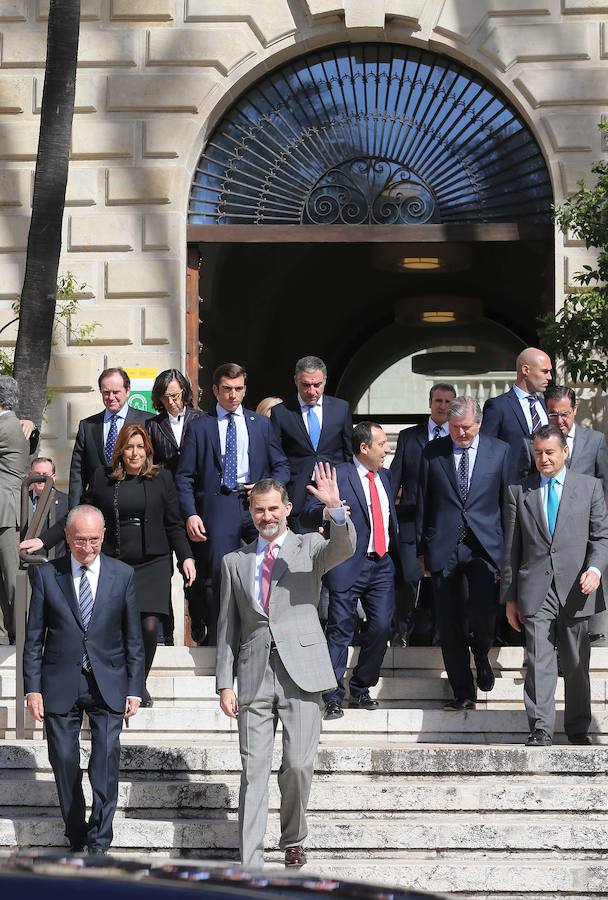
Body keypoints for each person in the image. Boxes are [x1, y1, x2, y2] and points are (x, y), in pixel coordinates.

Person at [216, 468, 356, 869]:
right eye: (259, 510)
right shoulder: (235, 561)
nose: (266, 516)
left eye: (273, 508)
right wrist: (225, 682)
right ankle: (250, 862)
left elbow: (344, 549)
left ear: (288, 508)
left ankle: (293, 837)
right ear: (251, 511)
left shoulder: (310, 546)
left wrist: (335, 510)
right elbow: (228, 627)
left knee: (297, 764)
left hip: (302, 669)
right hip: (254, 671)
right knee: (252, 770)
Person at [23, 505, 144, 854]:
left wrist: (134, 688)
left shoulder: (122, 575)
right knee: (64, 760)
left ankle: (99, 839)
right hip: (60, 682)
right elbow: (34, 639)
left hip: (108, 682)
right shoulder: (48, 575)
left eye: (93, 540)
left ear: (103, 536)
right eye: (79, 541)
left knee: (105, 761)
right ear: (67, 537)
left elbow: (132, 637)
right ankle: (76, 832)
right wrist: (32, 688)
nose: (87, 548)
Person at [502, 425, 608, 746]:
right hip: (535, 590)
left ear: (565, 452)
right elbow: (511, 550)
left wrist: (595, 569)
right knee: (538, 661)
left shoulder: (590, 487)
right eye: (538, 453)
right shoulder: (519, 492)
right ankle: (541, 729)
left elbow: (601, 537)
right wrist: (509, 598)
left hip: (578, 588)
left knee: (576, 664)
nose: (543, 459)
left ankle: (577, 728)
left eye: (549, 452)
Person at [175, 363, 289, 645]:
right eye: (227, 389)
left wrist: (266, 487)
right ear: (215, 390)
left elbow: (282, 466)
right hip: (219, 504)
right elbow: (185, 476)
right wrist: (190, 513)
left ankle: (265, 638)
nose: (233, 395)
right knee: (218, 573)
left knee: (268, 569)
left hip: (256, 505)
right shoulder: (200, 427)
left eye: (238, 389)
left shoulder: (260, 424)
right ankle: (219, 642)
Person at [84, 424, 195, 705]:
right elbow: (80, 515)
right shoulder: (103, 478)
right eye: (129, 447)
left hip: (153, 561)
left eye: (140, 446)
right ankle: (114, 680)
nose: (135, 453)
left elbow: (173, 523)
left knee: (148, 626)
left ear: (147, 449)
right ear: (120, 450)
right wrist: (44, 541)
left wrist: (186, 558)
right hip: (115, 562)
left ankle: (137, 683)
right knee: (117, 625)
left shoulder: (162, 478)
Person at [302, 422, 400, 720]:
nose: (387, 449)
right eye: (382, 444)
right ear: (364, 448)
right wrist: (330, 510)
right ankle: (332, 696)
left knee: (381, 626)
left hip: (381, 563)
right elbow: (307, 514)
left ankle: (361, 686)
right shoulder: (337, 475)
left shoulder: (384, 475)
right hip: (346, 564)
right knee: (340, 630)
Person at [417, 396, 510, 710]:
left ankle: (482, 651)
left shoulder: (500, 452)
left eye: (467, 427)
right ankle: (463, 692)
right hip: (444, 545)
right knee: (450, 620)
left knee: (484, 612)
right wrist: (421, 550)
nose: (461, 434)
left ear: (479, 423)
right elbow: (424, 503)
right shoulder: (433, 453)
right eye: (455, 428)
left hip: (485, 546)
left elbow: (507, 506)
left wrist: (509, 553)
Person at [390, 382, 456, 645]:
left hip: (444, 522)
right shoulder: (409, 437)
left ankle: (442, 634)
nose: (442, 406)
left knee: (444, 580)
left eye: (448, 402)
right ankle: (401, 633)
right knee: (408, 578)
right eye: (438, 401)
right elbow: (394, 479)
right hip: (409, 520)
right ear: (430, 403)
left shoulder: (458, 437)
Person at [146, 369, 205, 644]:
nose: (171, 402)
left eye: (176, 395)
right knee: (162, 569)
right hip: (164, 502)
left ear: (185, 392)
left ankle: (199, 618)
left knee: (195, 566)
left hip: (195, 501)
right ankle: (165, 633)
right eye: (165, 397)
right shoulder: (153, 425)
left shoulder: (201, 419)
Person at [270, 356, 352, 532]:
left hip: (334, 491)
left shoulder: (341, 408)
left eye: (317, 385)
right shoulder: (281, 412)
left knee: (337, 549)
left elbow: (348, 452)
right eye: (306, 385)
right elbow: (276, 455)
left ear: (325, 381)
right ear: (295, 381)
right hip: (299, 492)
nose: (312, 390)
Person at [68, 367, 153, 508]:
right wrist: (74, 510)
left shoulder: (147, 422)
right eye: (106, 392)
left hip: (134, 502)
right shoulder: (88, 425)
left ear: (128, 390)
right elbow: (78, 473)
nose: (111, 397)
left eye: (116, 392)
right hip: (97, 505)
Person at [480, 347, 551, 485]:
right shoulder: (498, 407)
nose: (549, 377)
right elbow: (486, 451)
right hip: (511, 489)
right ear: (526, 370)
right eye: (545, 371)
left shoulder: (546, 406)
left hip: (544, 487)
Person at [0, 376, 30, 645]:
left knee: (11, 577)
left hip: (6, 511)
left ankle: (23, 632)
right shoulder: (12, 423)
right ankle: (5, 633)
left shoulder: (5, 424)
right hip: (6, 510)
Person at [23, 457, 69, 560]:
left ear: (53, 477)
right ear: (30, 476)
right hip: (24, 563)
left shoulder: (67, 502)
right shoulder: (21, 500)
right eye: (37, 474)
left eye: (45, 475)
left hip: (54, 564)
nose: (41, 478)